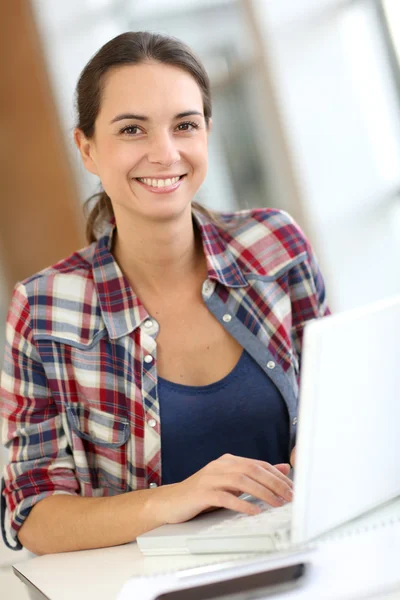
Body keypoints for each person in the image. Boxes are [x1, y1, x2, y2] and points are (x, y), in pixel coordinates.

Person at [0, 31, 330, 555]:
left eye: (184, 125)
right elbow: (32, 516)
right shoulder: (43, 309)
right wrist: (172, 500)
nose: (165, 152)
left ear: (206, 133)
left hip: (304, 557)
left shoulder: (276, 247)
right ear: (87, 147)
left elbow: (339, 411)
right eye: (132, 129)